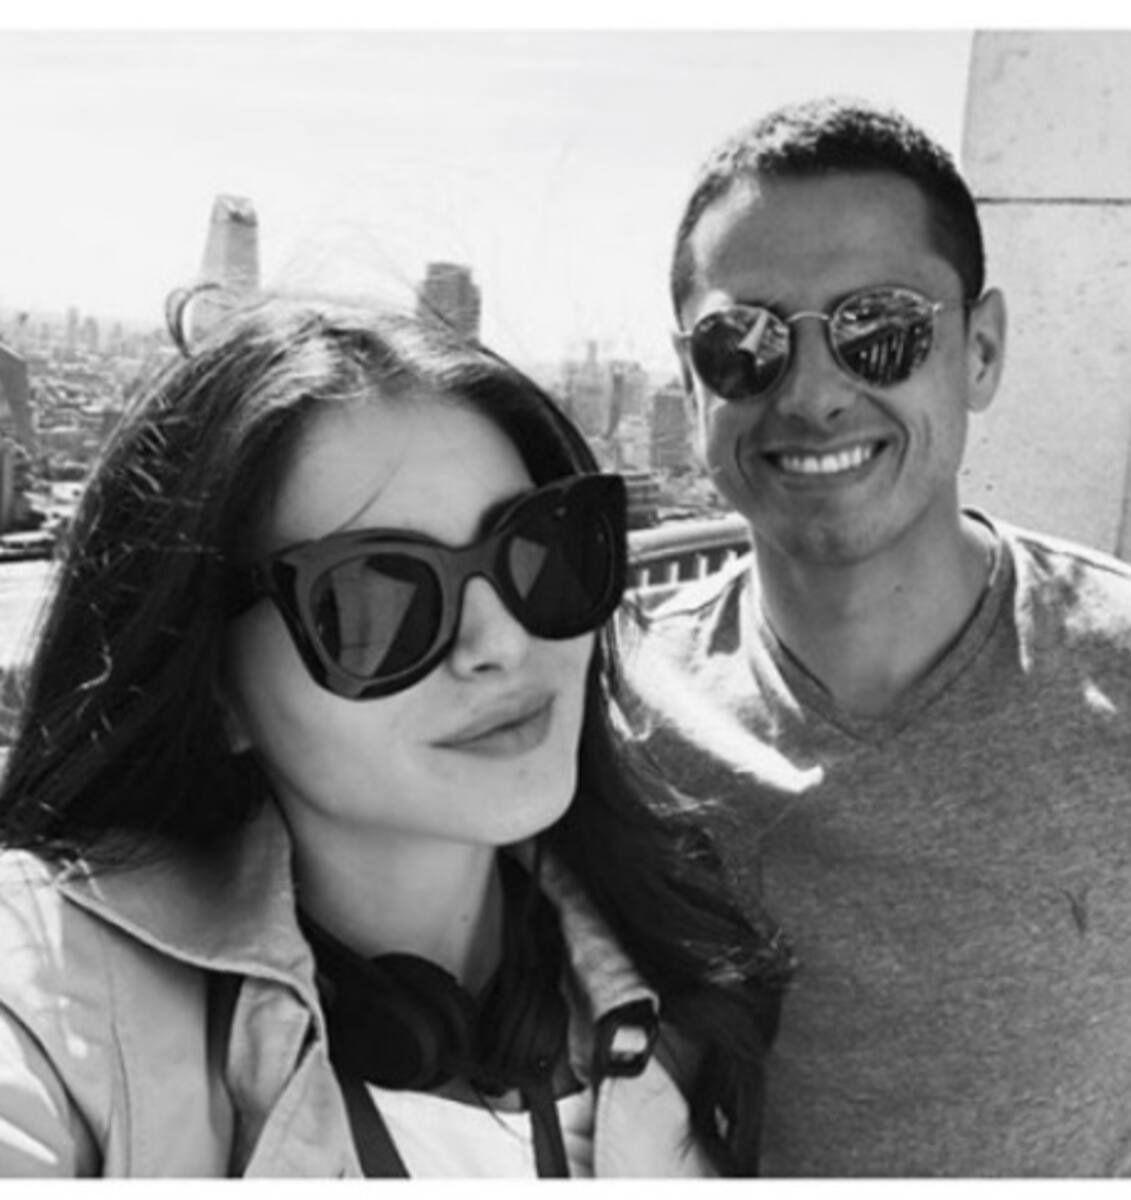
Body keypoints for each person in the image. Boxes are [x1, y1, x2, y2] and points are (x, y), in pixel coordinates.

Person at [0, 293, 787, 1177]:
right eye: (374, 599)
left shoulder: (680, 987)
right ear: (214, 686)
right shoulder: (60, 1002)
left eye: (540, 552)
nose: (501, 643)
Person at [617, 96, 1131, 1176]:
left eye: (877, 330)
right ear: (692, 382)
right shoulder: (626, 715)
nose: (813, 395)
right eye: (743, 345)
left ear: (980, 350)